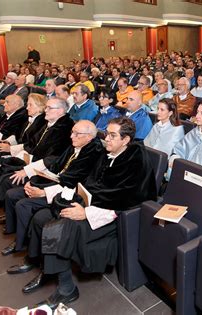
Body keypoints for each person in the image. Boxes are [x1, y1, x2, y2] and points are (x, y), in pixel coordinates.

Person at [25, 117, 157, 309]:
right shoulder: (107, 153)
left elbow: (129, 200)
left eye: (113, 136)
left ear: (126, 140)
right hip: (90, 205)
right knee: (40, 218)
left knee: (59, 228)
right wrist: (77, 202)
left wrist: (87, 213)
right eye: (107, 134)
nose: (107, 139)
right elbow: (90, 184)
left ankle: (67, 289)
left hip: (113, 216)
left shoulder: (137, 161)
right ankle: (47, 269)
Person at [1, 121, 102, 258]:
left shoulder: (93, 152)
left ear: (89, 137)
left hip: (68, 193)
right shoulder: (76, 145)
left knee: (23, 204)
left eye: (77, 134)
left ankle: (23, 244)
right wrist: (34, 181)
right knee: (13, 194)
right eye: (72, 132)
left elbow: (73, 183)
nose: (72, 136)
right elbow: (56, 167)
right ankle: (19, 235)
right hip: (56, 183)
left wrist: (44, 192)